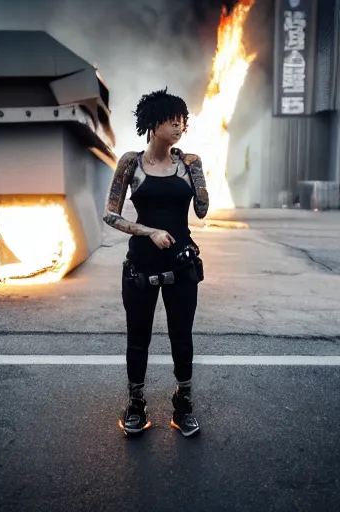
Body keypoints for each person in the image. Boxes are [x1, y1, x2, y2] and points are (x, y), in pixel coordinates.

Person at [103, 88, 209, 437]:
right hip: (141, 264)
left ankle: (184, 403)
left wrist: (196, 175)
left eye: (182, 121)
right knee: (138, 337)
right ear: (152, 124)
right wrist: (147, 230)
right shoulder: (130, 163)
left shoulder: (189, 162)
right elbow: (110, 216)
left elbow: (202, 209)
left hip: (182, 264)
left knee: (182, 337)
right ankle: (136, 404)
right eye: (171, 120)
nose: (179, 126)